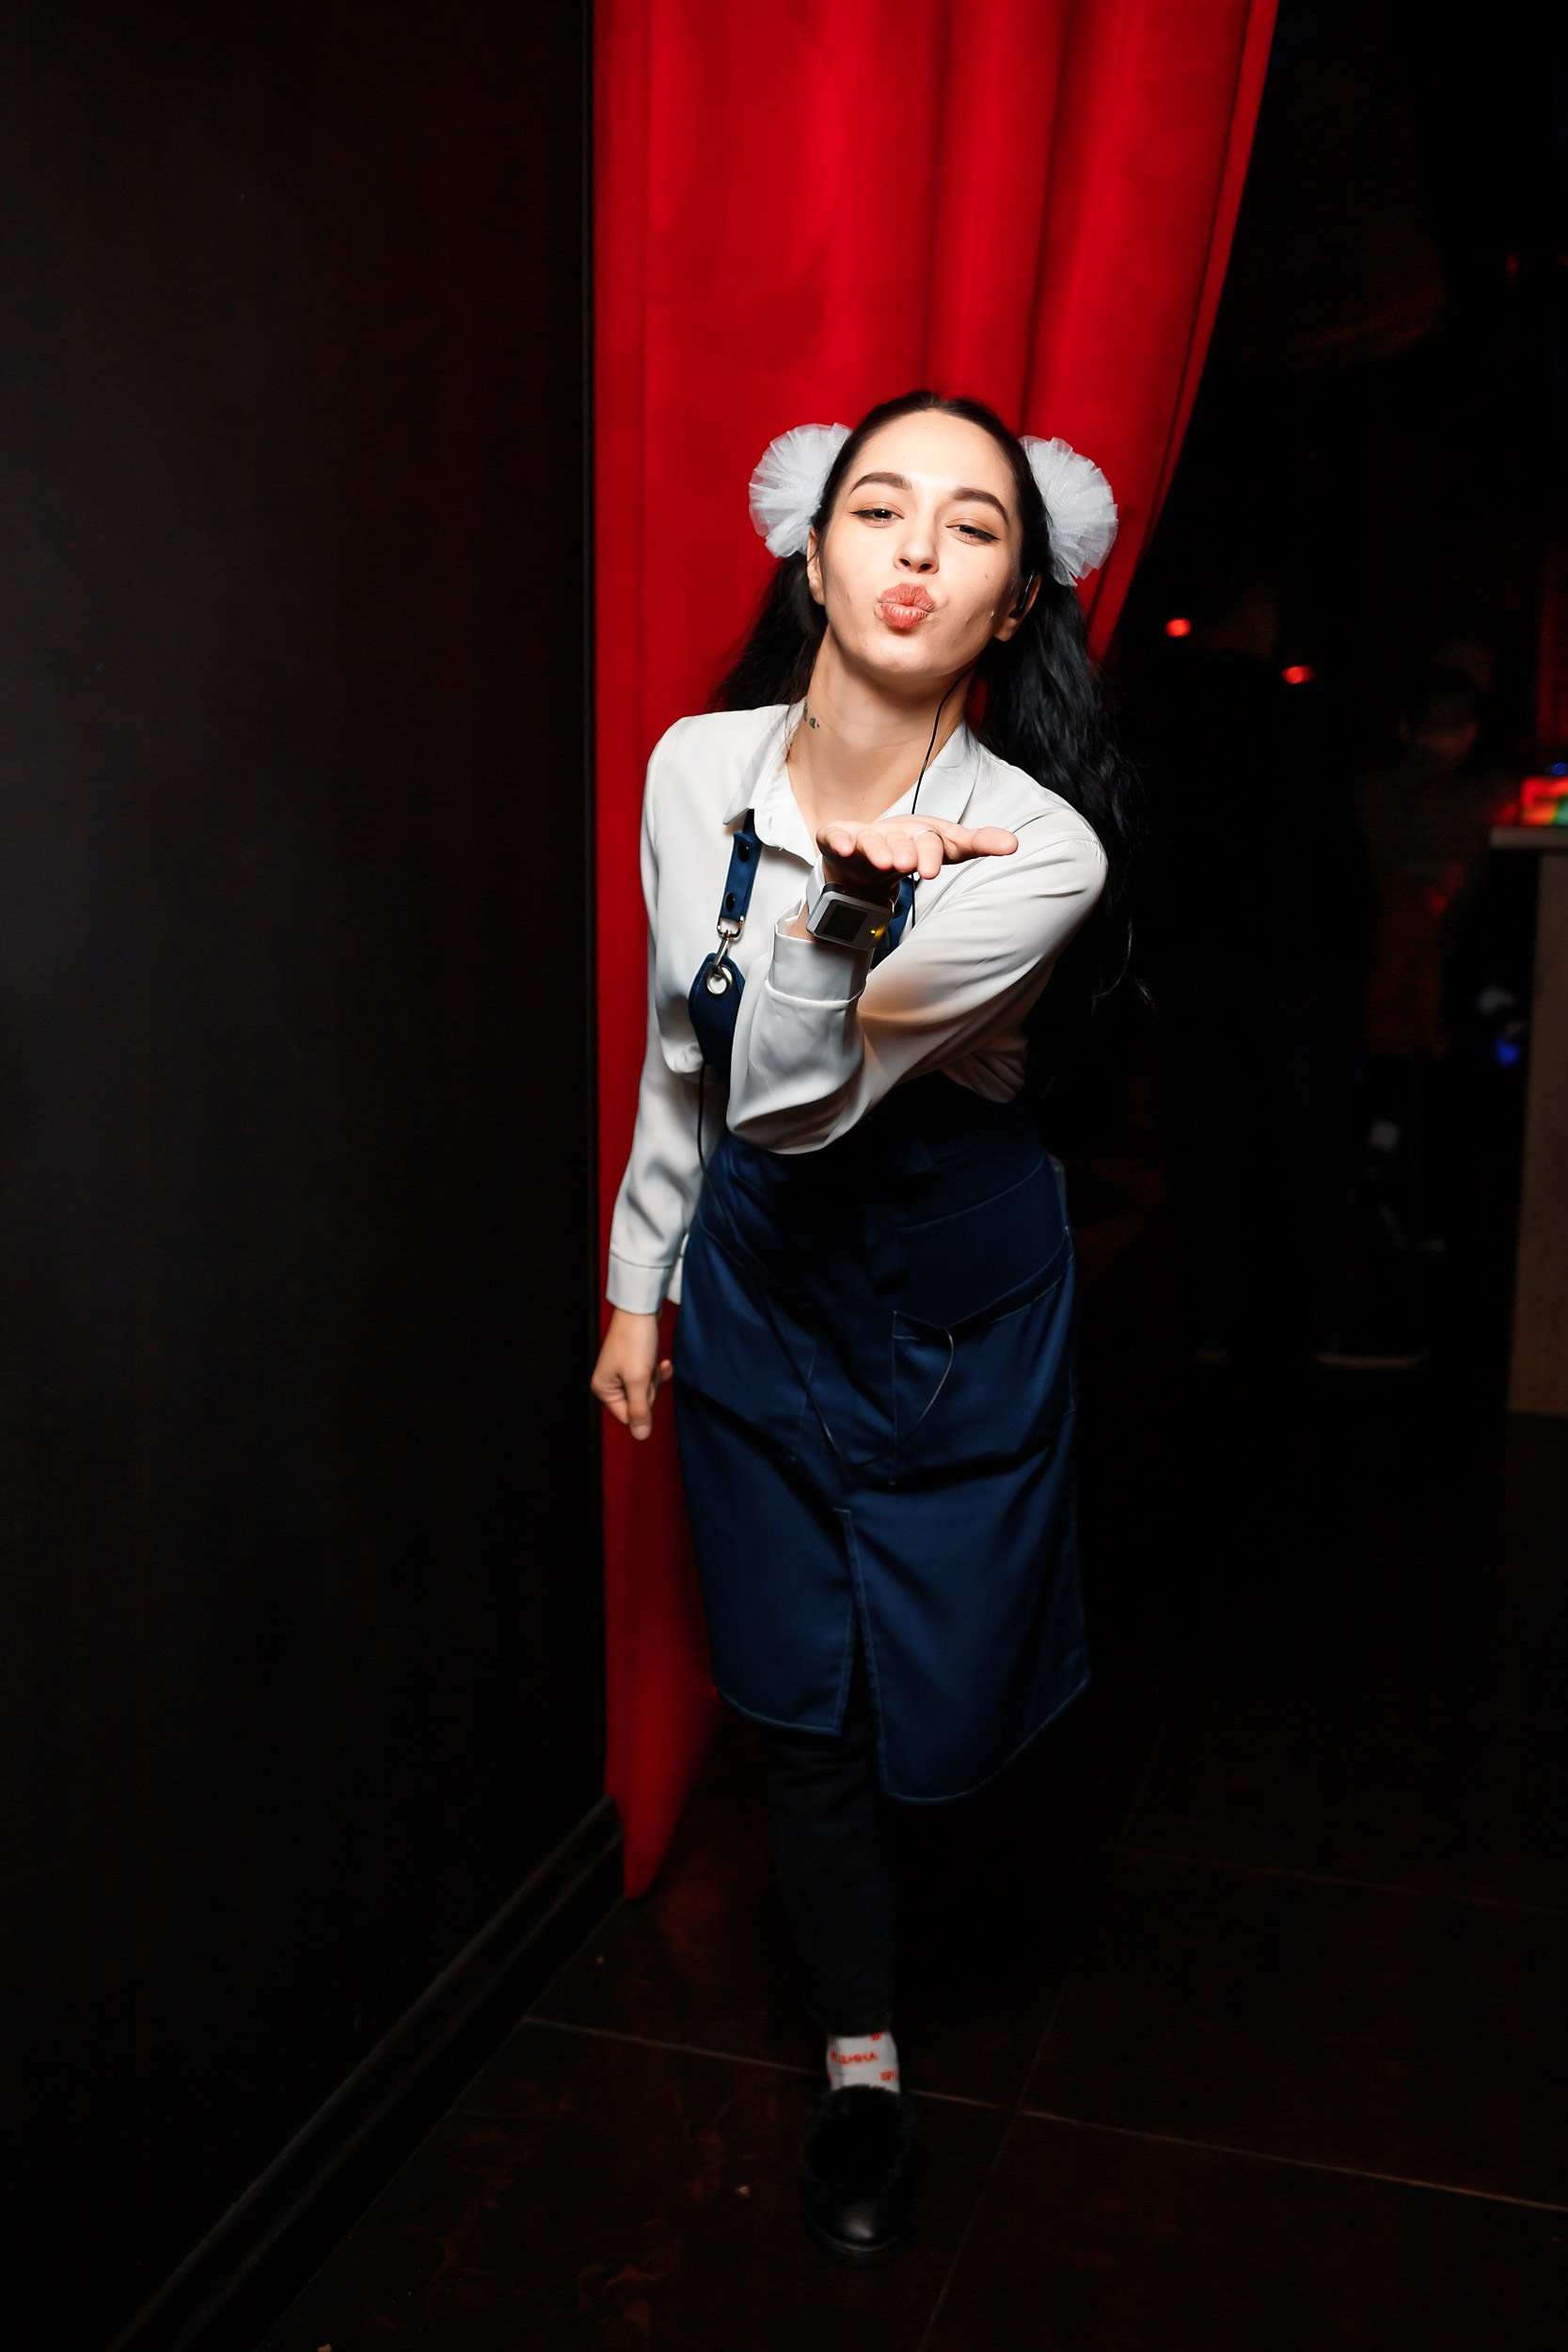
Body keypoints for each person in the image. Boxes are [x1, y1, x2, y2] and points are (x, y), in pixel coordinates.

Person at [590, 392, 1132, 2264]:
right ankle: (860, 2054)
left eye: (972, 527)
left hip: (956, 1297)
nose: (916, 548)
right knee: (799, 1690)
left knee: (948, 1694)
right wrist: (639, 1279)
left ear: (1013, 602)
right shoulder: (694, 765)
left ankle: (927, 1942)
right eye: (876, 509)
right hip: (761, 1278)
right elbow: (692, 1060)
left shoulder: (1042, 848)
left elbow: (806, 1099)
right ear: (810, 557)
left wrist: (836, 917)